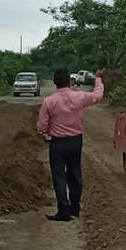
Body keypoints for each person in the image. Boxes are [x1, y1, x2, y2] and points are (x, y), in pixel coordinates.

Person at [36, 67, 105, 221]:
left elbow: (41, 126)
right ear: (70, 81)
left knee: (59, 176)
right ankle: (75, 208)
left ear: (55, 83)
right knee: (75, 174)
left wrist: (47, 132)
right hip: (75, 141)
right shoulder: (79, 97)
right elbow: (98, 96)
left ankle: (63, 210)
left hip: (57, 143)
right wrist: (98, 78)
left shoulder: (49, 101)